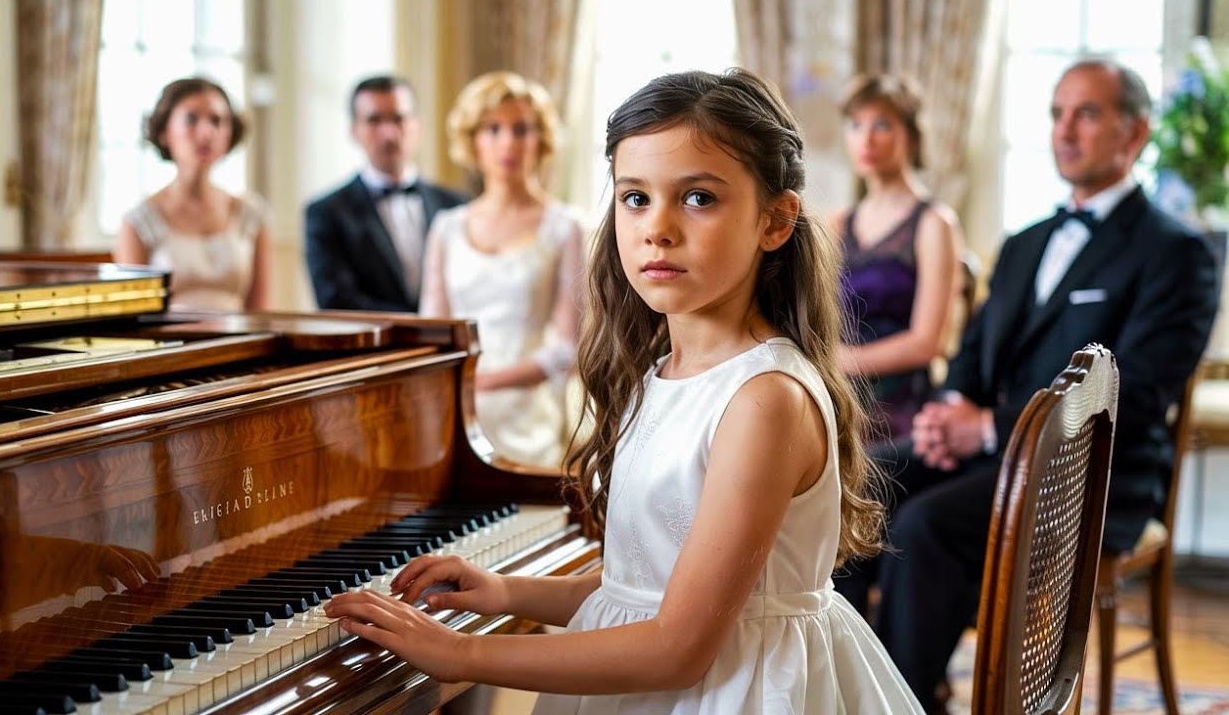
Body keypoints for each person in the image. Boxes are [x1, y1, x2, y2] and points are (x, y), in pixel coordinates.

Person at [322, 68, 925, 714]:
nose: (657, 228)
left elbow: (677, 648)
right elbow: (638, 590)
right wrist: (507, 592)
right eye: (635, 197)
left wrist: (460, 655)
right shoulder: (661, 371)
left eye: (698, 198)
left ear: (775, 221)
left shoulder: (763, 399)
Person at [832, 59, 1220, 712]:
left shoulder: (1176, 252)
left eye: (1087, 114)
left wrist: (984, 426)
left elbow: (1136, 393)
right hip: (993, 456)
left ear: (1136, 135)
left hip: (1095, 474)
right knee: (857, 485)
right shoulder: (1024, 243)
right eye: (1056, 114)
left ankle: (901, 702)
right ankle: (849, 689)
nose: (1064, 131)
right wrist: (950, 407)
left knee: (925, 524)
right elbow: (973, 354)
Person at [418, 72, 584, 468]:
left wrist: (485, 384)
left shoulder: (564, 226)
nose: (508, 142)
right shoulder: (447, 226)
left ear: (540, 140)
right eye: (493, 129)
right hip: (452, 410)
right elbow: (431, 331)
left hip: (529, 417)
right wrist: (459, 390)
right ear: (472, 140)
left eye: (521, 129)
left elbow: (569, 349)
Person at [831, 74, 963, 441]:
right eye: (856, 126)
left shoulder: (934, 223)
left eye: (883, 125)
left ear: (912, 136)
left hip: (900, 406)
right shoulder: (838, 223)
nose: (867, 139)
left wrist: (839, 361)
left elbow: (928, 343)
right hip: (836, 392)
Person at [305, 75, 467, 312]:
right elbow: (335, 300)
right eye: (374, 120)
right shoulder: (325, 213)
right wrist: (422, 326)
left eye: (398, 118)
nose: (389, 134)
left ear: (417, 126)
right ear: (354, 131)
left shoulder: (456, 205)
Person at [116, 77, 272, 312]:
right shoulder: (138, 222)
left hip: (243, 344)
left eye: (217, 121)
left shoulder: (251, 215)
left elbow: (261, 311)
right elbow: (132, 316)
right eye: (191, 119)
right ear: (164, 132)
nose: (207, 132)